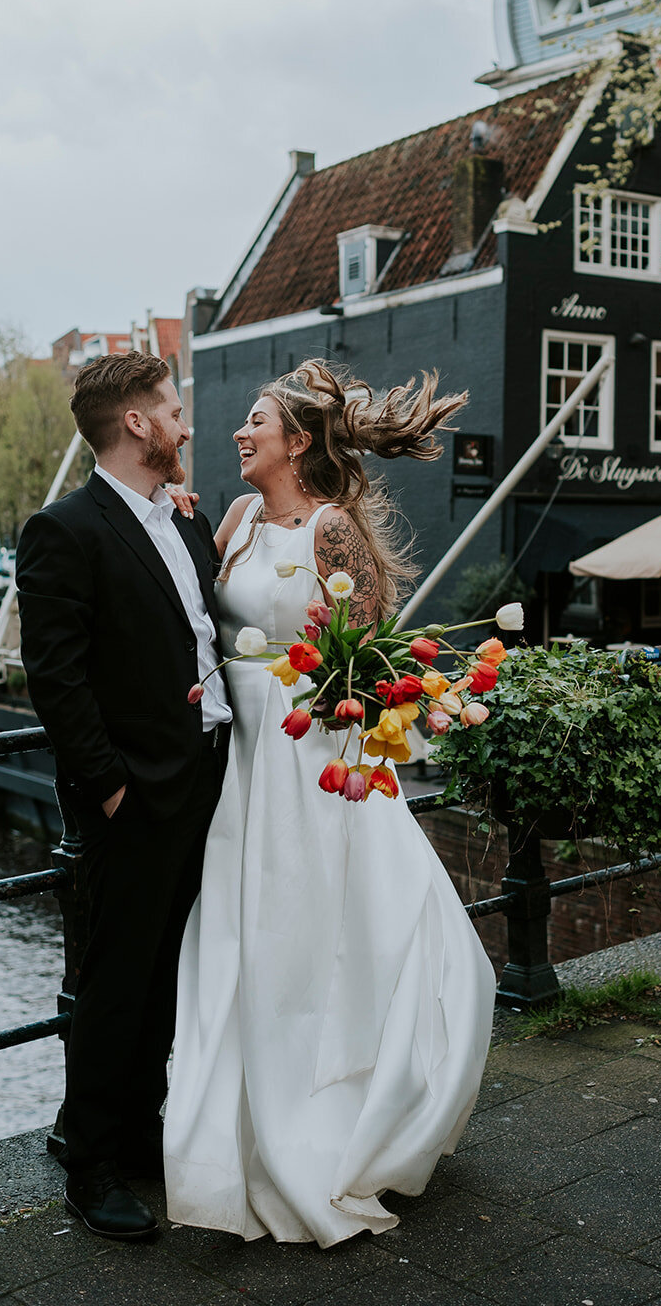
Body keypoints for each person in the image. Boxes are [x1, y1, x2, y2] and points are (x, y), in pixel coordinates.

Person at [163, 360, 497, 1247]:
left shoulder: (331, 529)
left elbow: (368, 648)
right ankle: (230, 1118)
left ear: (298, 442)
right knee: (240, 927)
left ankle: (335, 1110)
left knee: (313, 928)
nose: (239, 433)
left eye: (257, 422)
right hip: (237, 755)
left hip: (307, 753)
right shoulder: (230, 520)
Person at [16, 353, 232, 1243]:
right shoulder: (63, 529)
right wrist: (107, 789)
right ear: (137, 424)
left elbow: (203, 633)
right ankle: (91, 1163)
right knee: (114, 981)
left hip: (212, 777)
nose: (186, 426)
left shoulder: (186, 521)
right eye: (174, 411)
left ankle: (142, 1131)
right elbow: (56, 678)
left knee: (168, 975)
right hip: (134, 796)